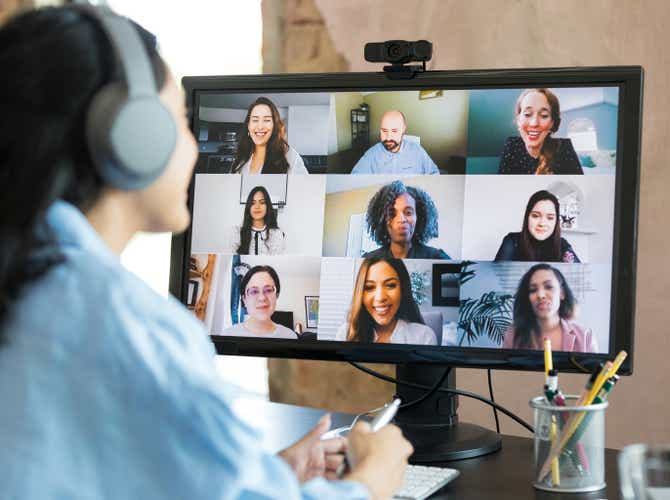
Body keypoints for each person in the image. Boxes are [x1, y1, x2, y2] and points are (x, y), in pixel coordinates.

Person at [0, 7, 411, 500]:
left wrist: (268, 477)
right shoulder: (129, 329)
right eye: (179, 121)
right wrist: (373, 481)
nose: (192, 147)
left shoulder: (27, 280)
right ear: (132, 140)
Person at [336, 258, 437, 345]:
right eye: (369, 287)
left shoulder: (424, 336)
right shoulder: (345, 333)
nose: (380, 297)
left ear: (402, 289)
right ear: (360, 294)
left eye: (390, 285)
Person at [502, 264, 598, 353]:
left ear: (562, 293)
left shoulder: (585, 336)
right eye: (533, 290)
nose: (540, 295)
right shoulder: (512, 335)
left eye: (548, 287)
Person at [498, 88, 583, 175]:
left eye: (544, 115)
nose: (534, 123)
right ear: (518, 119)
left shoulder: (564, 147)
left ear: (552, 123)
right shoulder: (512, 145)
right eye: (527, 114)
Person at [362, 180, 451, 260]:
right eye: (392, 214)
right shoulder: (369, 260)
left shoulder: (436, 257)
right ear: (381, 220)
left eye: (408, 213)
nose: (401, 220)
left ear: (418, 217)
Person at [229, 96, 309, 175]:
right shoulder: (241, 157)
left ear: (274, 125)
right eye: (255, 120)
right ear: (248, 125)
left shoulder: (290, 157)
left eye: (267, 120)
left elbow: (305, 187)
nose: (260, 127)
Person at [494, 190, 580, 262]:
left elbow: (581, 276)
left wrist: (569, 267)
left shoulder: (562, 244)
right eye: (535, 216)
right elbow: (495, 277)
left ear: (556, 221)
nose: (542, 223)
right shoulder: (512, 241)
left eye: (550, 218)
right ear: (527, 217)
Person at [351, 110, 439, 174]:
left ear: (403, 130)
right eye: (384, 131)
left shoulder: (417, 151)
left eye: (394, 131)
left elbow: (434, 174)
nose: (388, 137)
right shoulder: (372, 154)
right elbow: (355, 178)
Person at [222, 265, 297, 338]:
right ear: (244, 299)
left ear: (276, 295)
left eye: (268, 290)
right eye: (254, 291)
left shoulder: (290, 336)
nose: (262, 298)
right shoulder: (228, 335)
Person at [236, 186, 286, 255]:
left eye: (262, 202)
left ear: (267, 206)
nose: (257, 206)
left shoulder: (276, 234)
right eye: (253, 203)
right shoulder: (237, 232)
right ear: (248, 207)